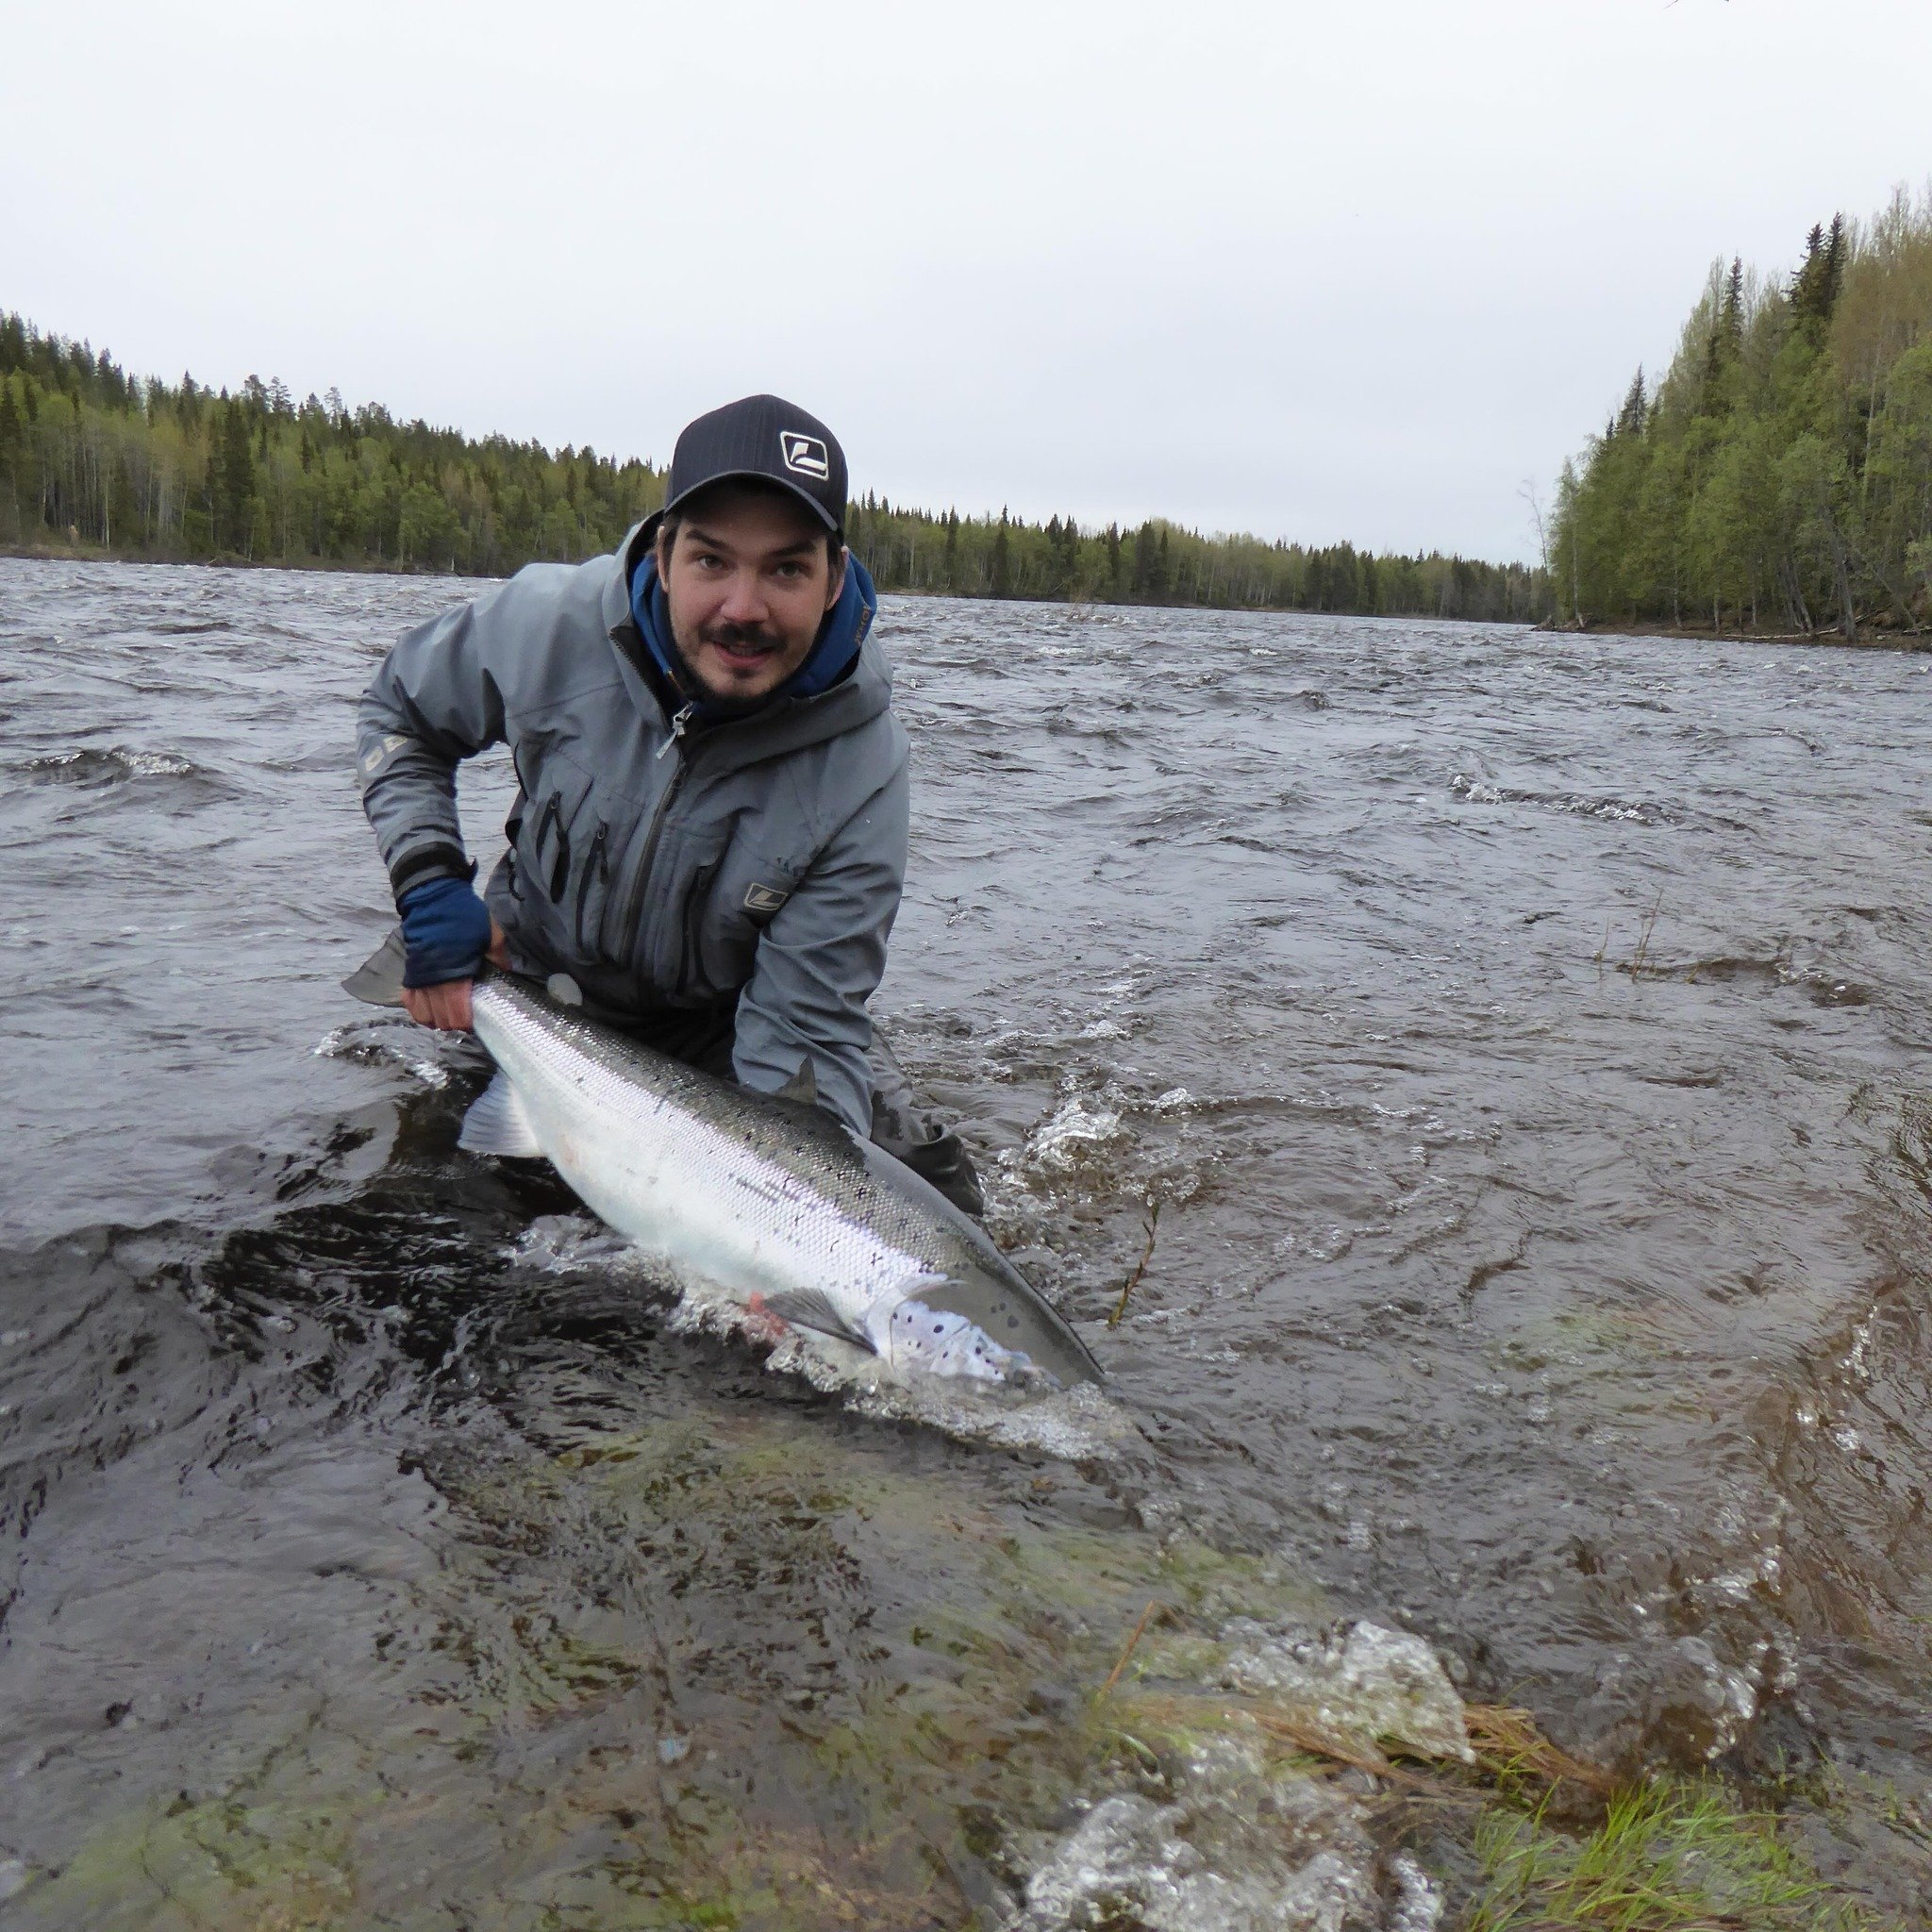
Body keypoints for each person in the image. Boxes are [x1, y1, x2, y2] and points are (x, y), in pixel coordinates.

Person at [356, 392, 983, 1214]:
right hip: (534, 988)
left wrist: (772, 1219)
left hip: (721, 1041)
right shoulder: (547, 624)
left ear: (834, 580)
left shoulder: (863, 766)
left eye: (787, 568)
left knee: (931, 1199)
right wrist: (430, 879)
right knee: (419, 1213)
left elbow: (800, 1028)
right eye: (712, 561)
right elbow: (400, 713)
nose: (743, 609)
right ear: (662, 554)